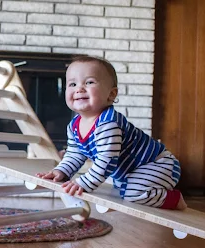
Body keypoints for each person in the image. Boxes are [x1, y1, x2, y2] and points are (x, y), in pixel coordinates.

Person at [37, 56, 187, 210]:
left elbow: (106, 161)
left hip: (157, 165)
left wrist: (83, 183)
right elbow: (75, 154)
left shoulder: (108, 123)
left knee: (133, 194)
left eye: (89, 82)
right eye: (73, 84)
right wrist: (61, 171)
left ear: (111, 94)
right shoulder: (74, 126)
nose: (79, 88)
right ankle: (134, 184)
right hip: (130, 170)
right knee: (116, 187)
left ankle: (174, 199)